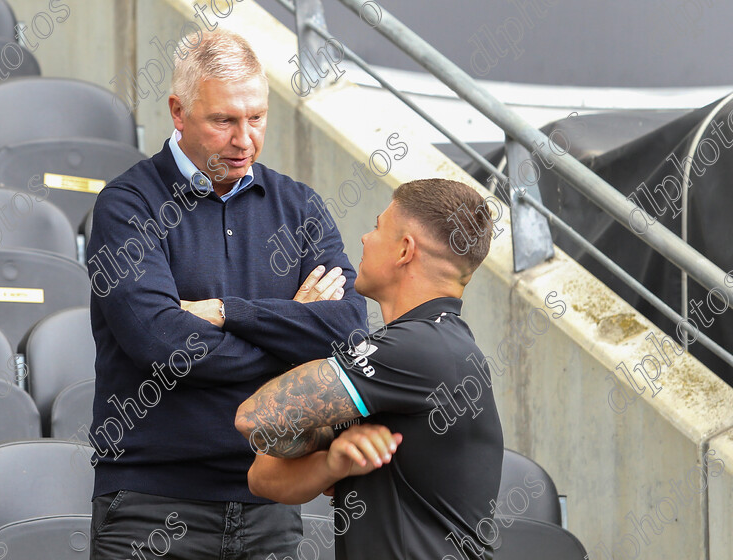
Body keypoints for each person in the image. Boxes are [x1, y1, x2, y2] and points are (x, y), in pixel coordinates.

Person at [86, 29, 368, 559]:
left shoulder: (299, 206)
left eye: (257, 117)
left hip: (272, 503)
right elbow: (163, 345)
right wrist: (291, 329)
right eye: (224, 121)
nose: (245, 140)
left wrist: (226, 312)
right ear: (178, 111)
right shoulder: (128, 206)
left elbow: (349, 332)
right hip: (151, 505)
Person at [236, 178, 505, 560]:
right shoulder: (417, 351)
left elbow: (254, 417)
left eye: (378, 227)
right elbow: (263, 478)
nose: (364, 238)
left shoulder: (419, 351)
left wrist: (294, 323)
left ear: (404, 250)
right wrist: (332, 462)